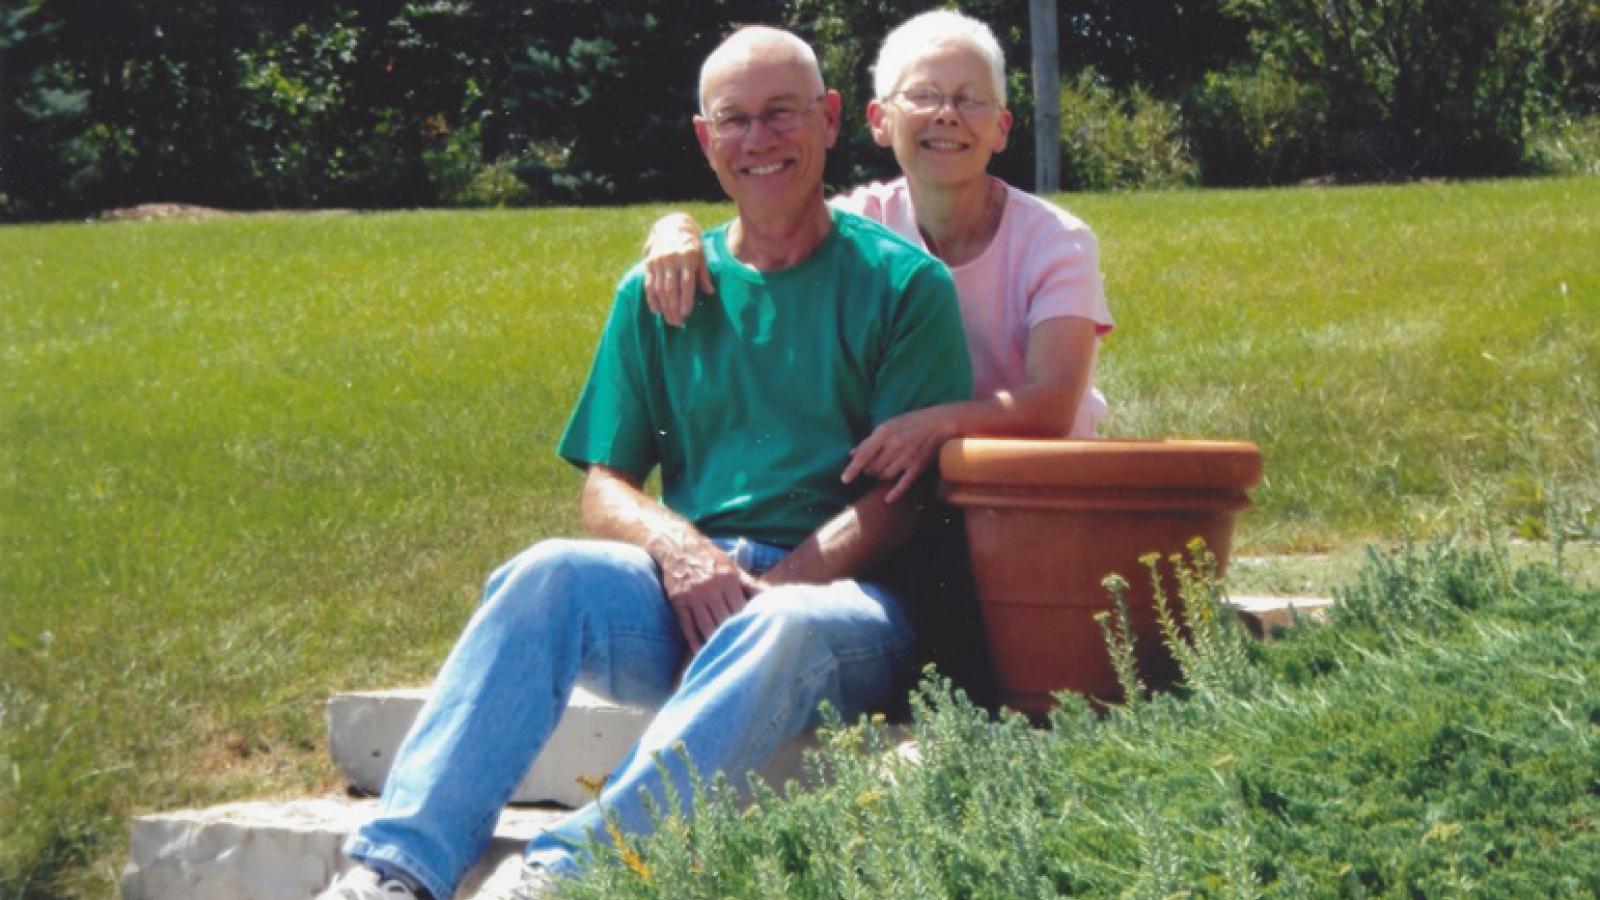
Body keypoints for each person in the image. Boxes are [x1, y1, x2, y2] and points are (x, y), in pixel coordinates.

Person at [316, 25, 971, 900]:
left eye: (782, 114)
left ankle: (566, 875)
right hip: (698, 596)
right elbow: (605, 484)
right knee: (544, 573)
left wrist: (786, 586)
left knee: (779, 628)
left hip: (849, 613)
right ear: (704, 140)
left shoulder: (903, 286)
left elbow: (906, 497)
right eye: (732, 120)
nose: (758, 140)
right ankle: (396, 868)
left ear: (828, 118)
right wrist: (680, 549)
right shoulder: (659, 291)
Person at [643, 10, 1115, 502]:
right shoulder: (860, 223)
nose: (946, 114)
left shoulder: (1058, 242)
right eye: (923, 95)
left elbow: (1053, 403)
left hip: (1033, 491)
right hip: (903, 492)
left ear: (1000, 128)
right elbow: (768, 233)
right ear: (879, 121)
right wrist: (675, 229)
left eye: (970, 99)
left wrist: (936, 424)